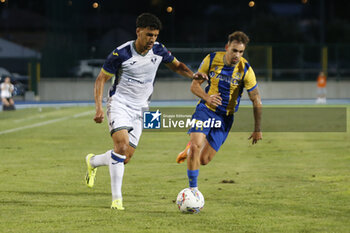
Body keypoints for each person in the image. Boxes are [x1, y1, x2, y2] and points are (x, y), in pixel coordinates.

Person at [84, 13, 207, 210]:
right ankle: (117, 201)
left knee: (125, 158)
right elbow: (100, 79)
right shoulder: (121, 53)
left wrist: (193, 74)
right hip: (119, 104)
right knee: (122, 147)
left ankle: (93, 161)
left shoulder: (159, 50)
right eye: (149, 34)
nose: (152, 40)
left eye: (155, 35)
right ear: (138, 31)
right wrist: (99, 107)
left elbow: (177, 66)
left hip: (142, 109)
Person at [175, 31, 262, 193]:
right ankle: (193, 191)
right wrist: (207, 98)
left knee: (204, 159)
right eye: (234, 50)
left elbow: (256, 100)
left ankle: (189, 150)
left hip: (225, 118)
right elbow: (194, 86)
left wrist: (257, 128)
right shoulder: (212, 59)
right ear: (227, 47)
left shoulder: (246, 70)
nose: (237, 55)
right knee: (196, 145)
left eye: (241, 52)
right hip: (205, 110)